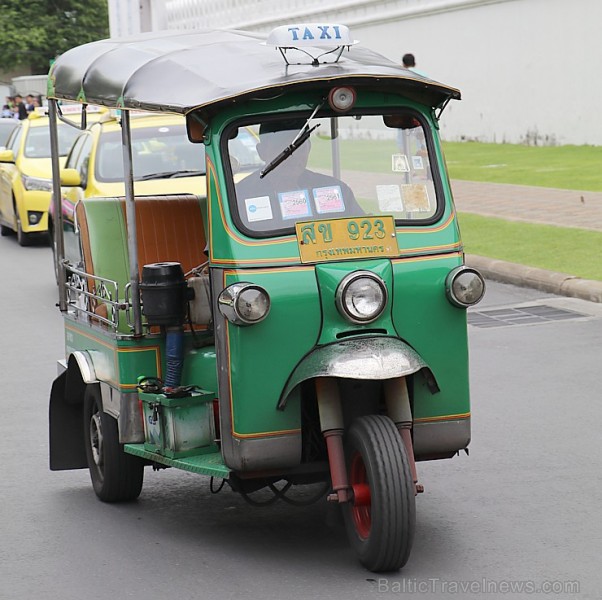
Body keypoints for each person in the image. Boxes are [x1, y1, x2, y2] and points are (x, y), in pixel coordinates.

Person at [234, 119, 363, 232]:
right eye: (283, 148)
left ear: (309, 148)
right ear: (261, 151)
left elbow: (362, 231)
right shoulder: (240, 196)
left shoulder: (335, 190)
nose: (292, 156)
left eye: (299, 147)